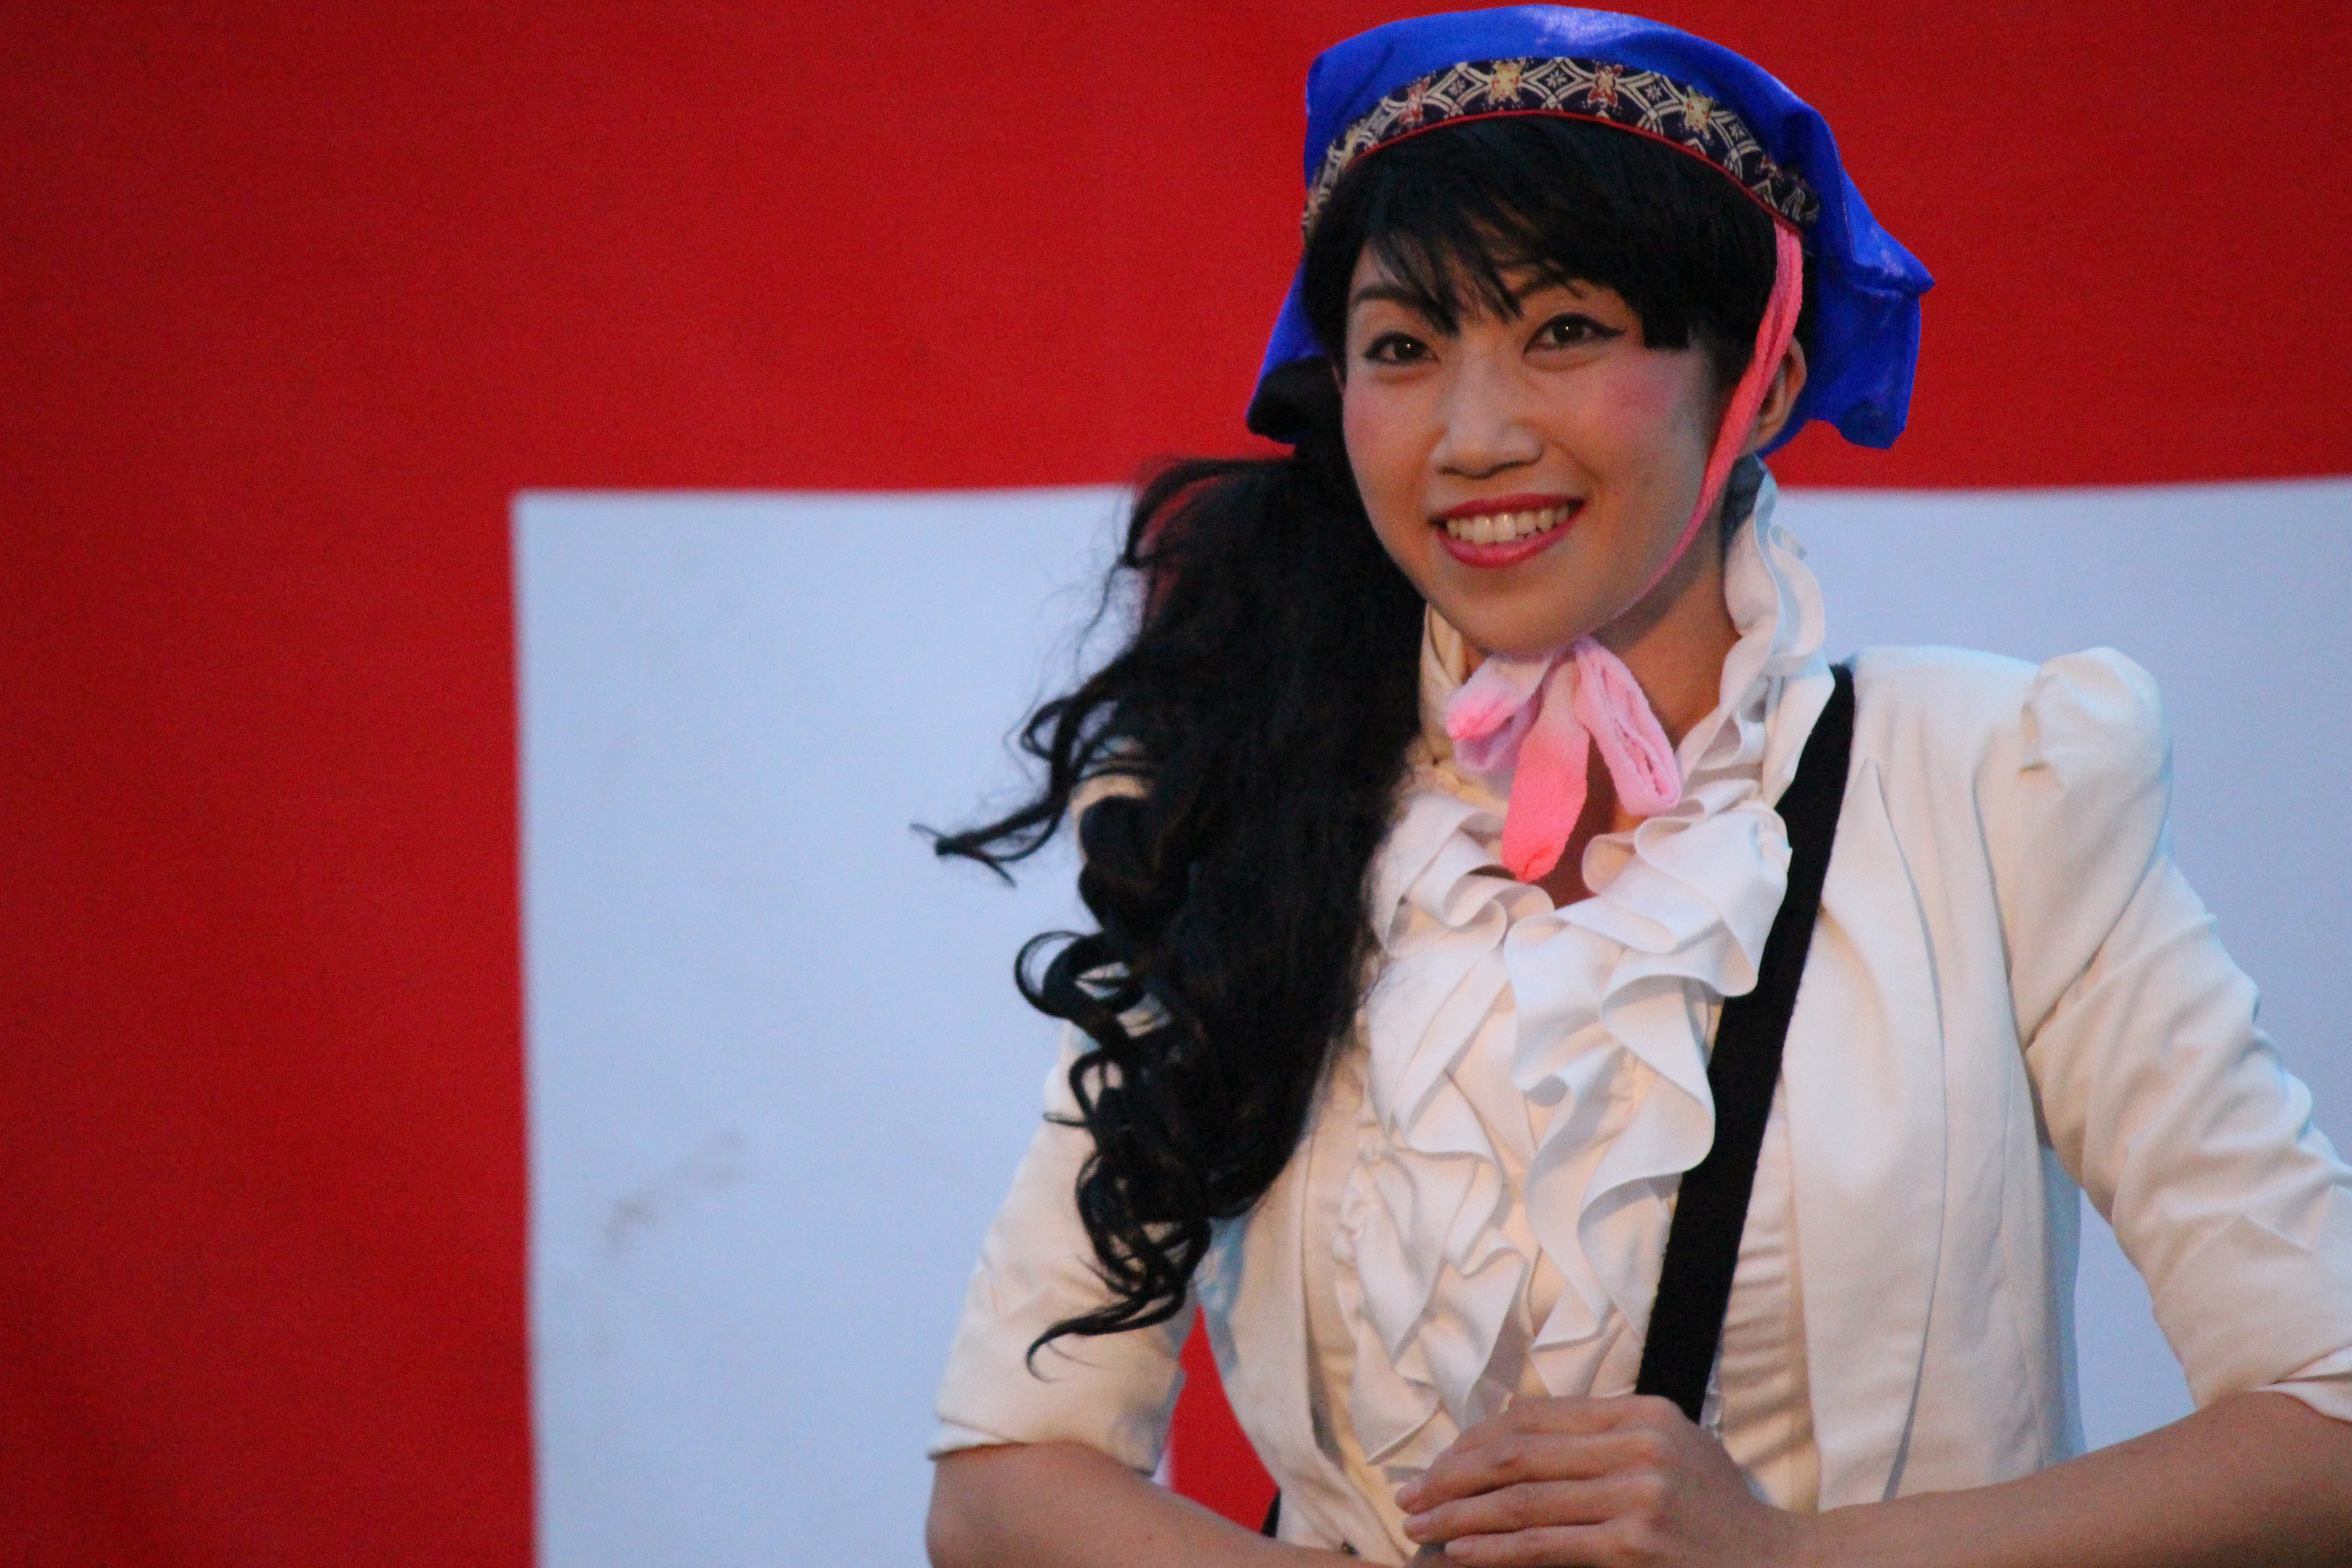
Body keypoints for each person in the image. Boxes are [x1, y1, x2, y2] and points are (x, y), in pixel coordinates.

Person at [922, 9, 2352, 1565]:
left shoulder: (1990, 781)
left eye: (1565, 331)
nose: (1472, 435)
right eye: (1403, 348)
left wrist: (1792, 1559)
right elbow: (1001, 1484)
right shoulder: (1250, 797)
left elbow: (2327, 1421)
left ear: (1763, 379)